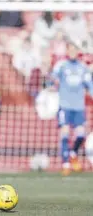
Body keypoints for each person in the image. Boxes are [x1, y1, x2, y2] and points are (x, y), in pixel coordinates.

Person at [49, 41, 93, 176]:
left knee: (81, 134)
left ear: (77, 52)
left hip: (78, 106)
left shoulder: (82, 68)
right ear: (67, 51)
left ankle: (73, 152)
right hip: (65, 106)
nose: (73, 53)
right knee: (65, 133)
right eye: (70, 50)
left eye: (75, 50)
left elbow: (89, 85)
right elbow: (52, 79)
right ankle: (66, 163)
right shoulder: (61, 66)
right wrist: (52, 83)